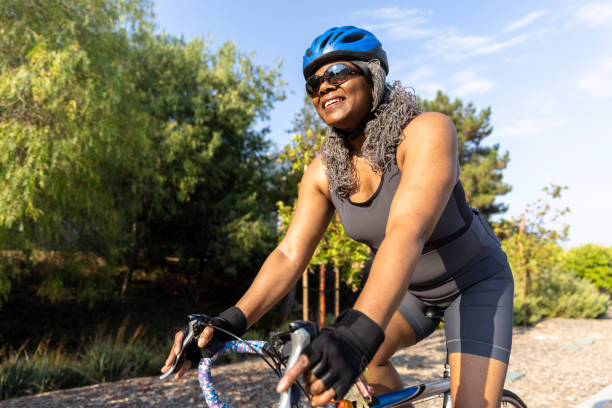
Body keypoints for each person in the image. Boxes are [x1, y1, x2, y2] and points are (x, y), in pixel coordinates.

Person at [161, 26, 514, 408]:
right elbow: (290, 254)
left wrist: (357, 334)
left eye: (338, 73)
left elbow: (407, 230)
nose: (324, 86)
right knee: (358, 361)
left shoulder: (426, 132)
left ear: (373, 75)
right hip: (410, 291)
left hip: (475, 284)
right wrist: (229, 323)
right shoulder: (322, 172)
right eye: (314, 82)